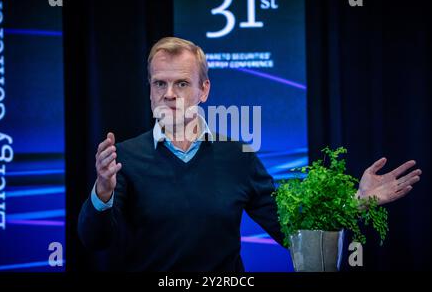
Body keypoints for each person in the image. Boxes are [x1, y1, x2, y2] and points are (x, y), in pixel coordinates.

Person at [78, 37, 422, 271]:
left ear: (203, 90)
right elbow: (94, 241)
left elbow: (289, 227)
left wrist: (355, 202)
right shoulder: (123, 157)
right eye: (159, 83)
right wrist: (103, 192)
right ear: (150, 90)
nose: (169, 94)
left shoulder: (238, 156)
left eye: (182, 83)